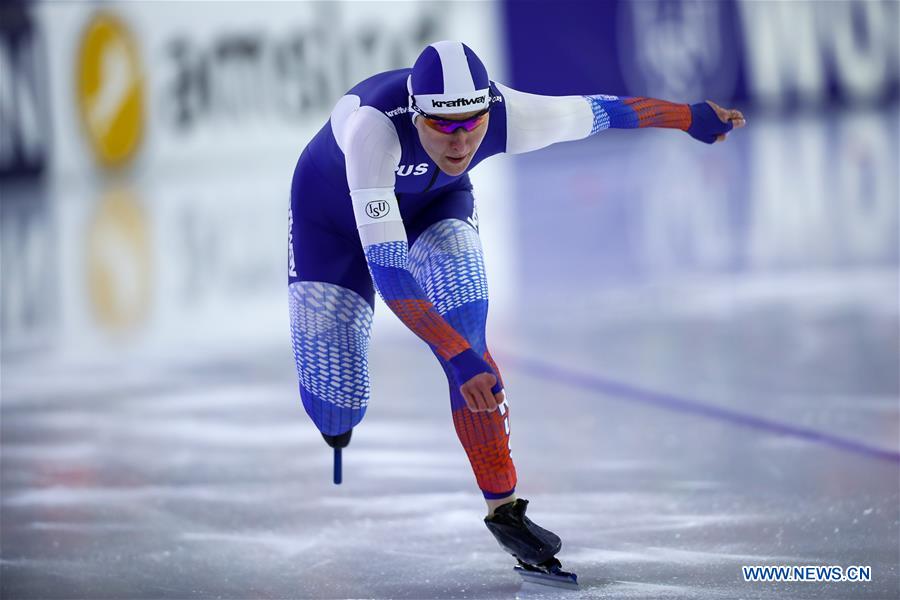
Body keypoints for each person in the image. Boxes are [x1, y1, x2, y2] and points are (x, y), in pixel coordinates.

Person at [288, 40, 744, 585]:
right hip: (329, 223)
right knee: (339, 409)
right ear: (416, 115)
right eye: (442, 126)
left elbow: (607, 111)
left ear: (488, 107)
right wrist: (454, 358)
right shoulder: (373, 133)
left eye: (472, 123)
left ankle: (504, 509)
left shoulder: (510, 115)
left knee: (472, 339)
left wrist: (689, 117)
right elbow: (390, 274)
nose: (460, 142)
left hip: (437, 208)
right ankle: (339, 428)